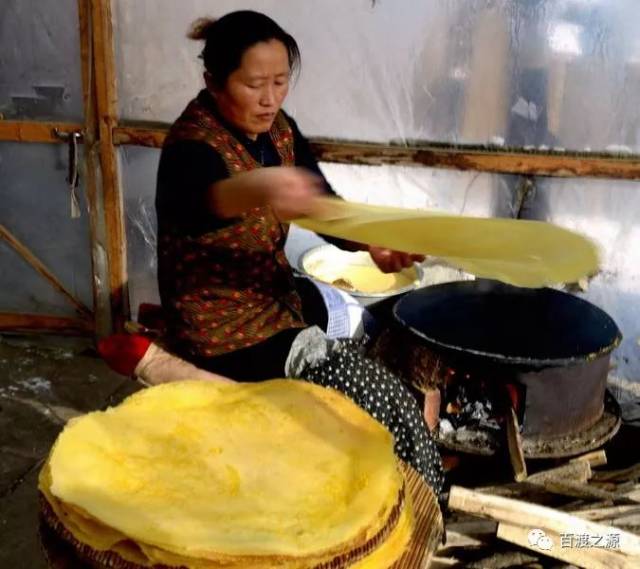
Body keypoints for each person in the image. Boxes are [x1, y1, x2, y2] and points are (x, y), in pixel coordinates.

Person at [156, 10, 443, 494]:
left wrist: (369, 242)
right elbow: (211, 200)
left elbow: (322, 208)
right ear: (213, 81)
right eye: (254, 85)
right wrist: (265, 185)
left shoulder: (279, 130)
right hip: (225, 332)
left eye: (281, 81)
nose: (270, 99)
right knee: (385, 398)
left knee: (368, 324)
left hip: (276, 296)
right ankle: (423, 502)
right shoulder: (191, 146)